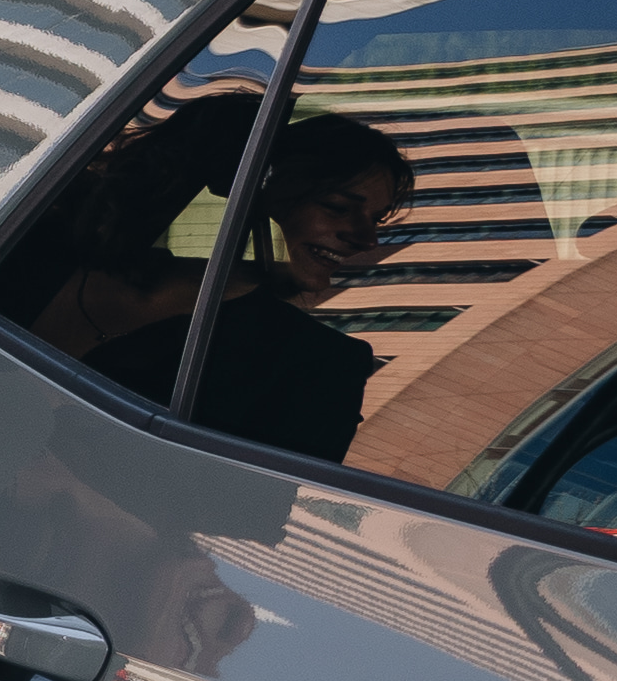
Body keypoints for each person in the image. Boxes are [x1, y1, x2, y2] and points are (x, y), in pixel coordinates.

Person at [100, 110, 417, 464]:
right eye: (337, 206)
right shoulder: (62, 257)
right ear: (251, 189)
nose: (367, 239)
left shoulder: (322, 366)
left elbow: (247, 511)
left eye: (376, 219)